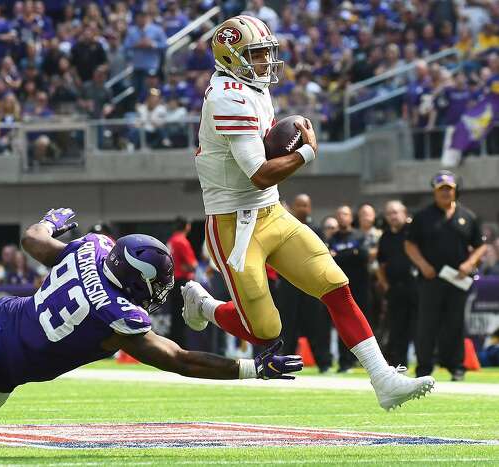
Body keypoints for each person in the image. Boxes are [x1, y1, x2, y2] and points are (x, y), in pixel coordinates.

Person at [0, 208, 303, 435]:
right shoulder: (118, 314)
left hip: (1, 314)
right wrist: (251, 367)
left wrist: (52, 218)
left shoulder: (94, 247)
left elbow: (33, 239)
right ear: (138, 280)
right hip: (7, 359)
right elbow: (178, 359)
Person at [181, 15, 434, 411]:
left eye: (266, 53)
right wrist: (307, 152)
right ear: (229, 58)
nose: (265, 61)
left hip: (272, 212)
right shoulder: (226, 97)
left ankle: (383, 379)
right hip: (234, 223)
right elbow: (260, 174)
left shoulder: (252, 87)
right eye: (255, 54)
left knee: (336, 283)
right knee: (266, 330)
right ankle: (204, 305)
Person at [405, 171, 487, 381]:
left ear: (455, 191)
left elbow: (480, 246)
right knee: (427, 324)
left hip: (457, 280)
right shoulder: (423, 217)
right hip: (430, 279)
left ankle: (456, 367)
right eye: (441, 190)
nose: (445, 193)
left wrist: (470, 263)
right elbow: (410, 244)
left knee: (455, 324)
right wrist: (423, 265)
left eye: (449, 189)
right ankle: (424, 368)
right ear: (434, 192)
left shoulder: (467, 216)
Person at [277, 195, 332, 373]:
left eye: (305, 205)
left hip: (311, 284)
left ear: (310, 208)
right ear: (293, 206)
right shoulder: (283, 227)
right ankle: (286, 363)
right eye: (299, 205)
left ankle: (324, 363)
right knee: (288, 325)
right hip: (288, 283)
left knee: (316, 325)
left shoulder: (316, 228)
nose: (302, 208)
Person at [329, 205, 370, 373]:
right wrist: (351, 253)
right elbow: (328, 259)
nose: (341, 217)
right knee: (342, 324)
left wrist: (340, 256)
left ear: (350, 217)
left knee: (363, 324)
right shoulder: (332, 238)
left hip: (360, 287)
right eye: (338, 214)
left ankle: (363, 361)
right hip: (339, 288)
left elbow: (363, 255)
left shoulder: (360, 235)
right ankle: (344, 363)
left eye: (345, 214)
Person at [377, 201, 415, 368]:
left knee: (419, 327)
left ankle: (424, 365)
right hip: (395, 289)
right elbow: (381, 264)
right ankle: (401, 365)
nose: (393, 216)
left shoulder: (413, 233)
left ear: (405, 213)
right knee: (397, 329)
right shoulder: (385, 237)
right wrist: (385, 285)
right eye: (389, 213)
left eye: (396, 212)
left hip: (416, 287)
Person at [167, 217, 198, 347]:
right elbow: (193, 265)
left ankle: (173, 345)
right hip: (183, 282)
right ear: (187, 226)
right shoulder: (182, 241)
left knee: (175, 316)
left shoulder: (171, 240)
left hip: (173, 281)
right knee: (183, 316)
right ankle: (181, 347)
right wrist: (189, 267)